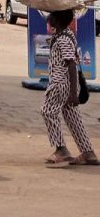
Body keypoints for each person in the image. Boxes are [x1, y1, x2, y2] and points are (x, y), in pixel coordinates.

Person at [41, 9, 98, 167]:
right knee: (73, 118)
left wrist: (73, 93)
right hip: (67, 83)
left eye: (52, 16)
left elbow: (71, 64)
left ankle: (61, 150)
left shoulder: (63, 39)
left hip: (61, 83)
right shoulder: (64, 34)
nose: (49, 18)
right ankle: (88, 153)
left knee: (47, 111)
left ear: (58, 20)